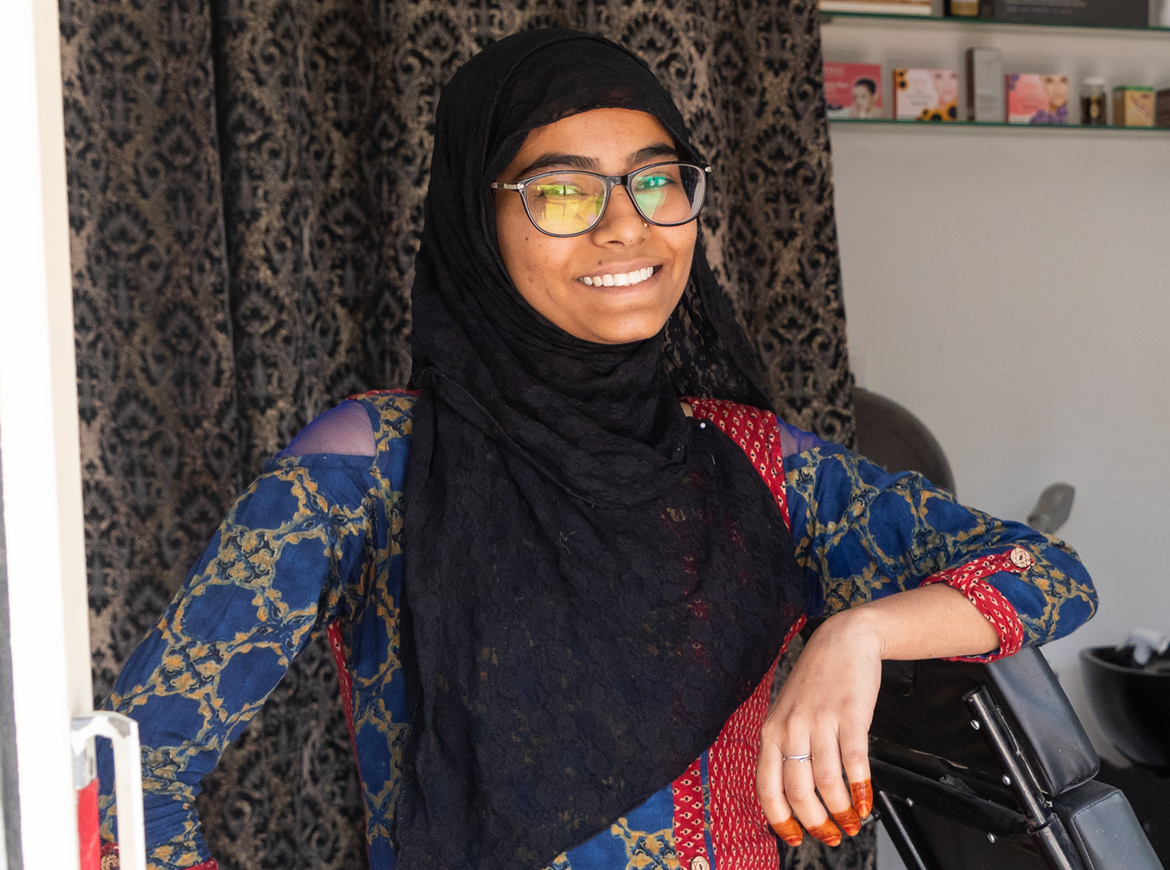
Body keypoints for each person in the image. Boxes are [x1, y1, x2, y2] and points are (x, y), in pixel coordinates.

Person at [97, 28, 1097, 870]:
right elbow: (125, 781)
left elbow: (1047, 573)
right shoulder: (374, 470)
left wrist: (861, 634)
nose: (627, 228)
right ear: (479, 218)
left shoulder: (756, 466)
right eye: (565, 192)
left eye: (657, 181)